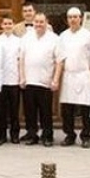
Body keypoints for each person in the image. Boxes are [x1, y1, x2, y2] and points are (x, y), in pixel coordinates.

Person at [58, 7, 90, 148]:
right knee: (67, 109)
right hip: (68, 75)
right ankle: (69, 135)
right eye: (70, 17)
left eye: (75, 17)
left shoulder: (88, 36)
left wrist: (89, 65)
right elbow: (60, 56)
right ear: (67, 19)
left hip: (83, 75)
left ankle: (86, 136)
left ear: (80, 18)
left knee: (85, 108)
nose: (73, 19)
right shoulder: (63, 36)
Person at [20, 12, 61, 147]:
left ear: (46, 22)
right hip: (29, 81)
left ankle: (47, 136)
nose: (38, 24)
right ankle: (32, 135)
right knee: (30, 111)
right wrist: (22, 77)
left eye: (41, 22)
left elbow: (59, 61)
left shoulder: (54, 38)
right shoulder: (26, 37)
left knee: (45, 111)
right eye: (36, 22)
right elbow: (21, 59)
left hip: (45, 82)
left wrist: (55, 79)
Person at [0, 13, 23, 144]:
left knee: (14, 109)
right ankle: (1, 134)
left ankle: (14, 134)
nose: (7, 26)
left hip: (14, 79)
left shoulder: (19, 41)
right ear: (1, 25)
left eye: (10, 24)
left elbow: (21, 60)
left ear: (13, 25)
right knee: (1, 109)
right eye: (5, 24)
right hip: (0, 80)